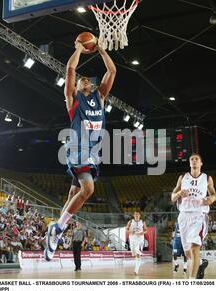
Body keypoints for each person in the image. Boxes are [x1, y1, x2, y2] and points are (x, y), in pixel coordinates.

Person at [44, 36, 116, 261]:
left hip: (93, 152)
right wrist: (78, 48)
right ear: (75, 87)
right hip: (78, 147)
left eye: (87, 80)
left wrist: (102, 50)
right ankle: (58, 228)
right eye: (80, 81)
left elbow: (112, 71)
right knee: (88, 190)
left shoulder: (100, 96)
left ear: (92, 85)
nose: (84, 81)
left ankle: (55, 231)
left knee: (75, 193)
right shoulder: (72, 100)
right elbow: (70, 69)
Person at [171, 153, 216, 279]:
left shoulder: (207, 178)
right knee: (188, 253)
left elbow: (214, 195)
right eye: (192, 159)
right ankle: (201, 263)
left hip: (199, 215)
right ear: (189, 163)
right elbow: (172, 197)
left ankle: (192, 281)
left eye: (197, 159)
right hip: (184, 215)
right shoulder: (183, 177)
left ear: (201, 163)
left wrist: (210, 200)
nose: (194, 161)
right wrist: (179, 193)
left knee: (194, 248)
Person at [126, 211, 147, 275]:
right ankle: (137, 265)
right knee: (135, 254)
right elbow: (126, 230)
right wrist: (130, 232)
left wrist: (142, 233)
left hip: (140, 238)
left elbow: (146, 230)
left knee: (138, 252)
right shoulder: (130, 222)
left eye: (137, 214)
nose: (136, 215)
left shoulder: (142, 222)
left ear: (140, 215)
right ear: (133, 215)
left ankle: (136, 269)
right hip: (132, 238)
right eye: (135, 214)